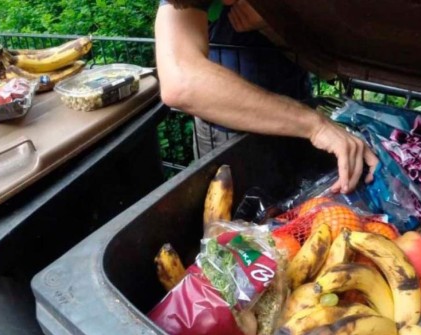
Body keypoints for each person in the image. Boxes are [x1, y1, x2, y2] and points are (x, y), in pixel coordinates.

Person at [155, 0, 378, 193]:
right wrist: (315, 125)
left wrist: (274, 25)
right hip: (224, 135)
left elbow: (327, 70)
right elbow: (180, 82)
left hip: (299, 128)